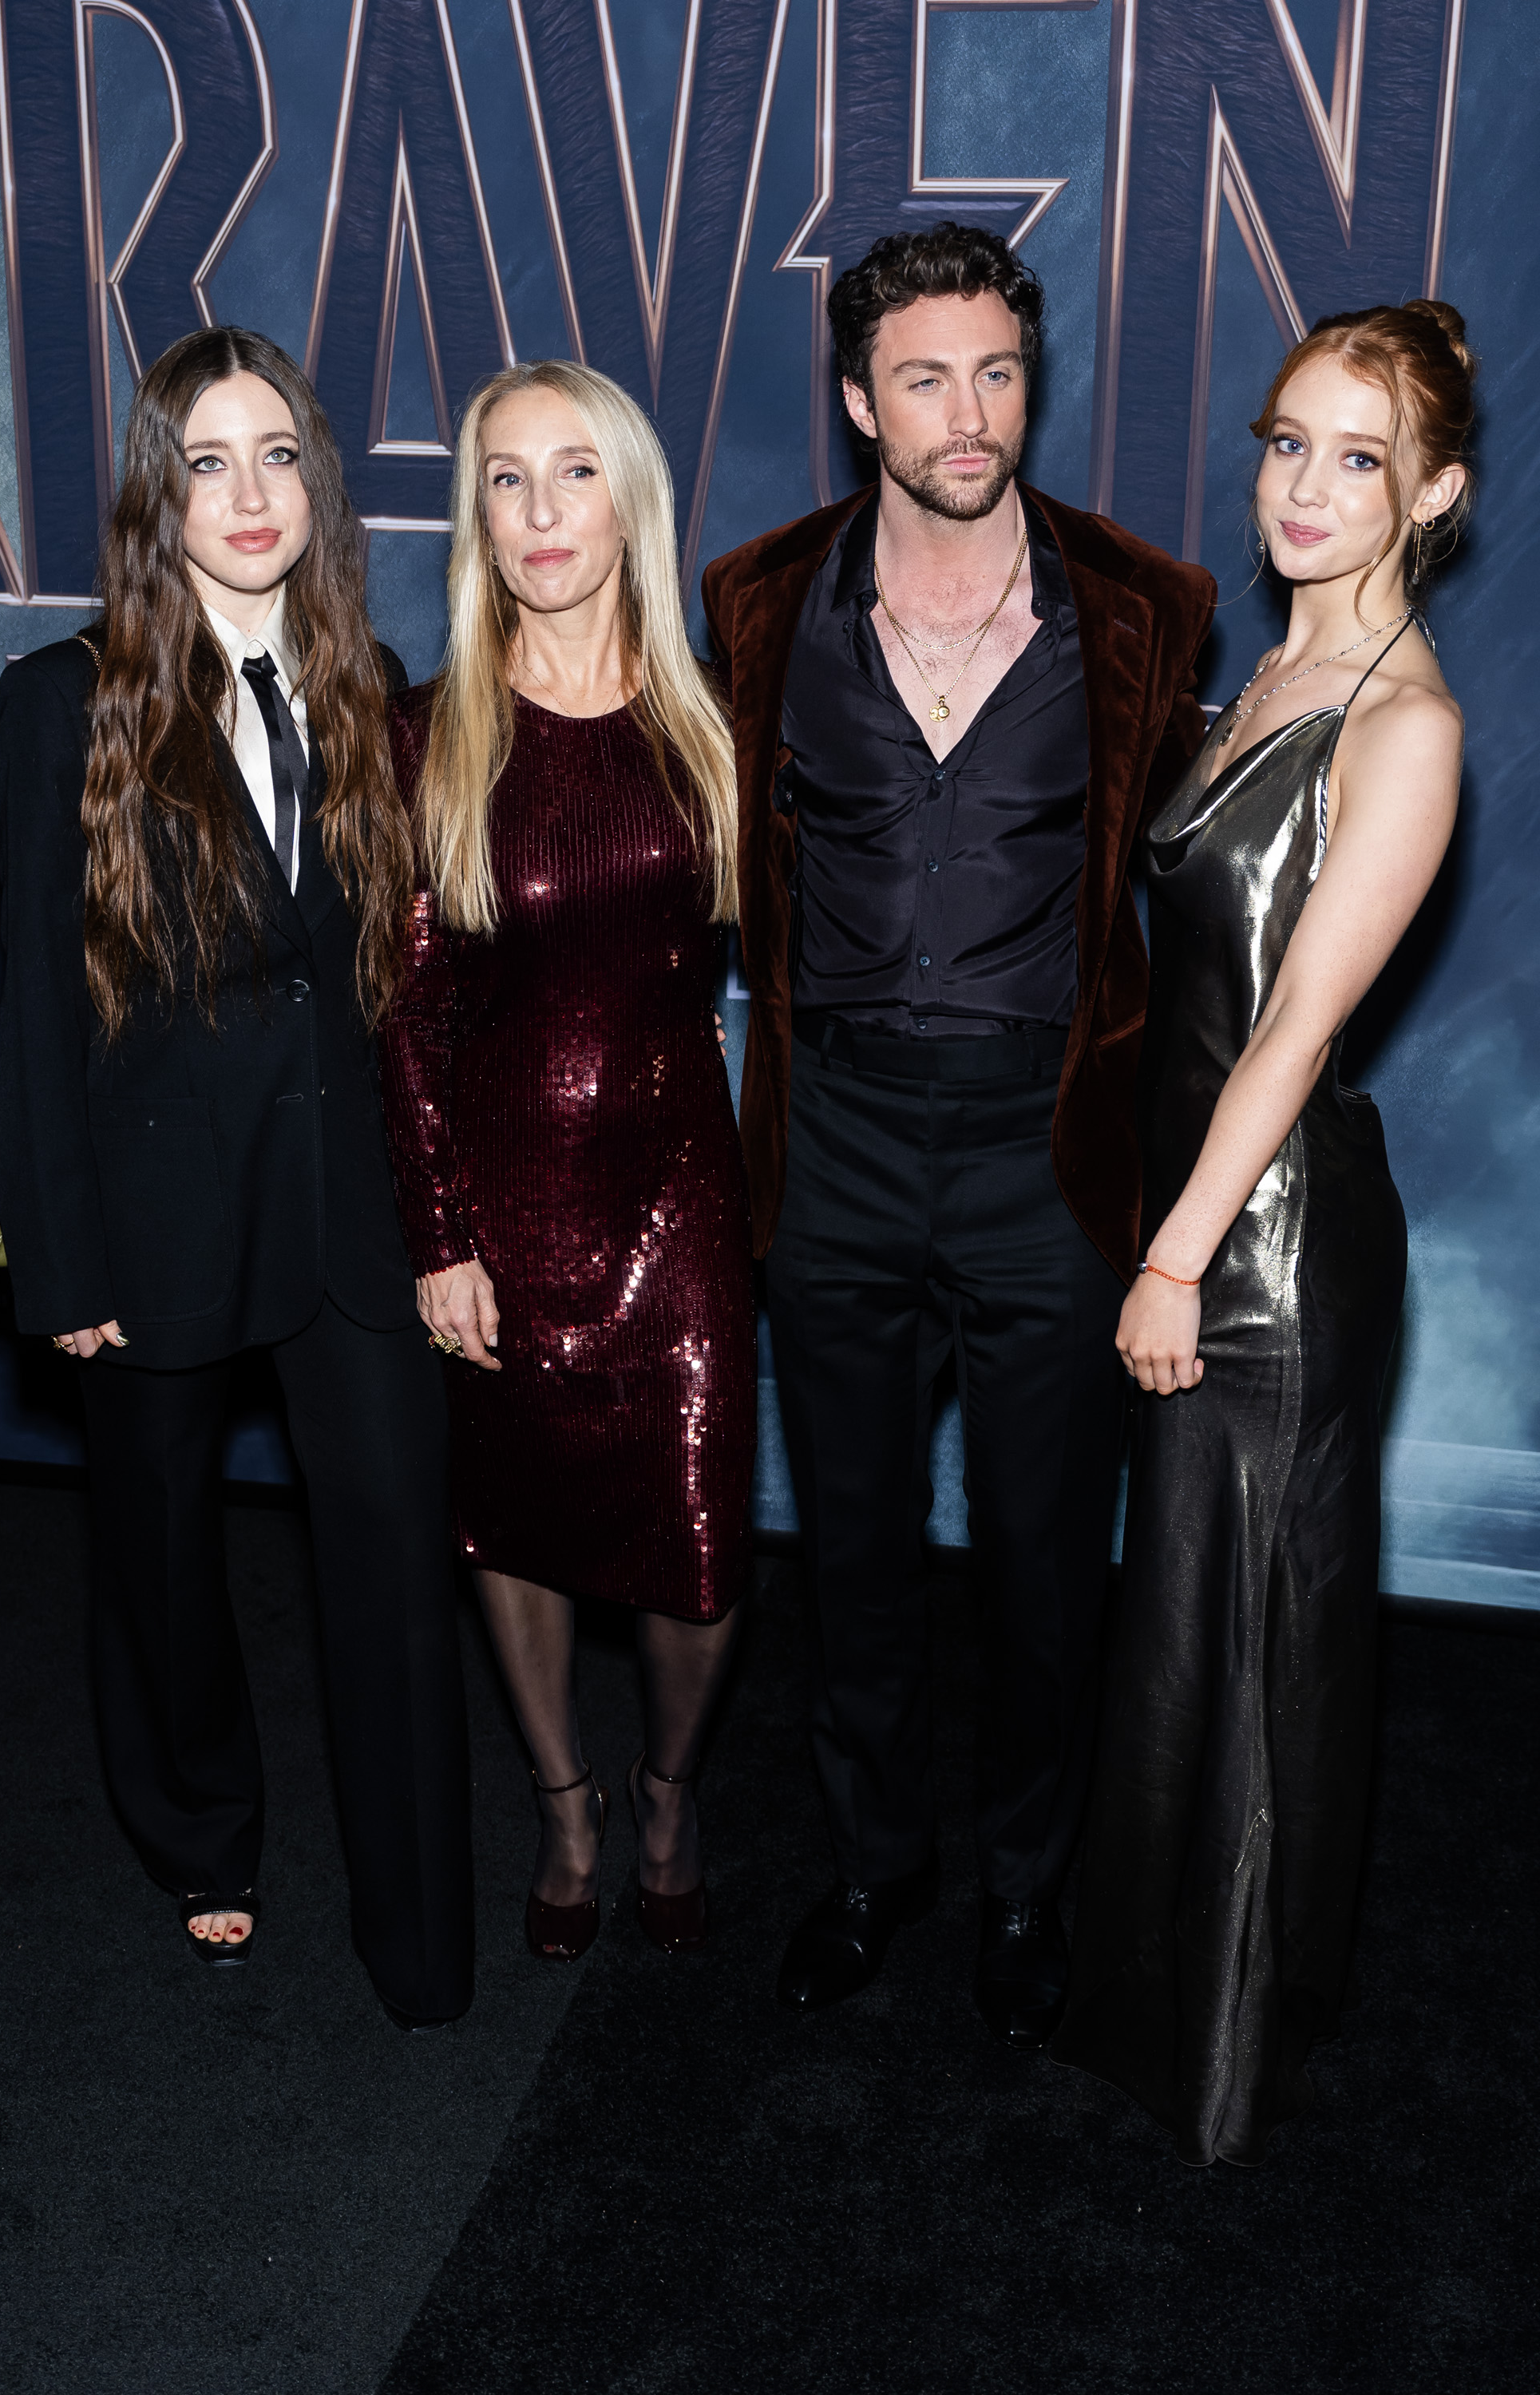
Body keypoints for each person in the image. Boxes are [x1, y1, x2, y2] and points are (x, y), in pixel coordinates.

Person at [700, 222, 1215, 2038]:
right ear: (857, 401)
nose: (967, 408)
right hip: (831, 1145)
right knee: (847, 1548)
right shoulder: (754, 600)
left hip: (1044, 1156)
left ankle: (1020, 1890)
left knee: (1036, 1558)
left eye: (995, 369)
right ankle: (868, 1868)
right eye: (924, 374)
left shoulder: (1146, 608)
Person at [0, 327, 475, 2033]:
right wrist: (58, 1264)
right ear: (158, 492)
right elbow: (36, 1007)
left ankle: (420, 1928)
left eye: (279, 455)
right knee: (162, 1557)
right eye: (209, 460)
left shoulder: (370, 676)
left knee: (402, 1573)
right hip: (149, 1214)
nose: (251, 493)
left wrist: (448, 1220)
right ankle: (204, 1836)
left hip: (350, 1207)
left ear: (317, 484)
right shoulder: (66, 697)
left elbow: (400, 988)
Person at [1050, 302, 1475, 2163]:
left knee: (1257, 1647)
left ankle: (1225, 2060)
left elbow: (1294, 1030)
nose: (1305, 485)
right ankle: (1146, 2001)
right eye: (1286, 441)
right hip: (1205, 1211)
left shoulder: (1404, 725)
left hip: (1277, 1247)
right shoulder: (1253, 679)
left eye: (1357, 457)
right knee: (1181, 1632)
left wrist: (1172, 1257)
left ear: (1434, 495)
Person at [378, 361, 753, 1965]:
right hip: (502, 1203)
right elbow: (402, 1011)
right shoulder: (426, 731)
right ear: (478, 514)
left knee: (694, 1543)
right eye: (508, 480)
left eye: (575, 475)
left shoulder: (716, 714)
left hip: (681, 1198)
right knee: (510, 1525)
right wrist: (441, 1231)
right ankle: (565, 1806)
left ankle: (670, 1788)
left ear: (631, 504)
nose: (541, 513)